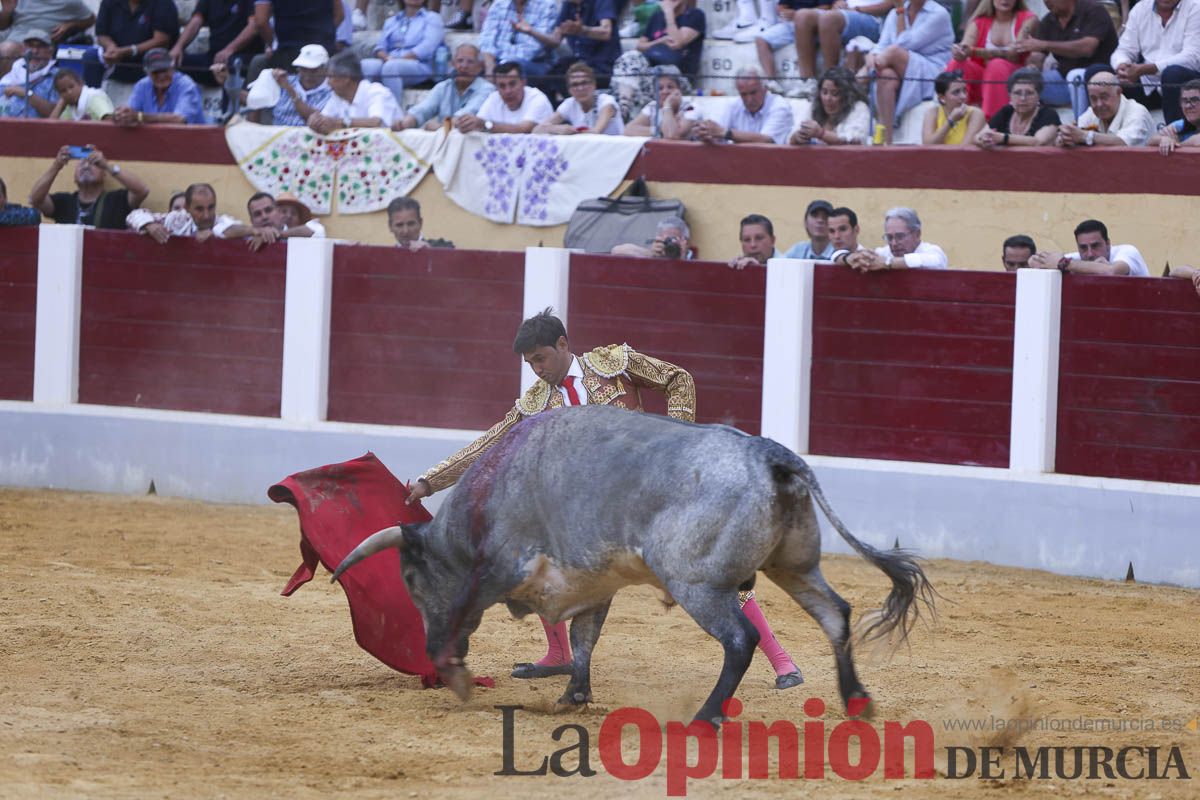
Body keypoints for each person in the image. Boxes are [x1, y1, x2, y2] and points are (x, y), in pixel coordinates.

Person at [405, 309, 806, 690]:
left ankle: (779, 657)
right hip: (588, 513)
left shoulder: (613, 363)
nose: (537, 369)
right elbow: (492, 443)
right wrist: (429, 481)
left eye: (541, 358)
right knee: (537, 557)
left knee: (708, 564)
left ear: (563, 345)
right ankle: (560, 653)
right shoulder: (535, 403)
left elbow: (678, 379)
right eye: (530, 363)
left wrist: (677, 445)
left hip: (646, 493)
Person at [866, 0, 955, 145]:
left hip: (933, 71)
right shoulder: (893, 14)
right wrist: (873, 56)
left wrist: (900, 11)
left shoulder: (939, 14)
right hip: (900, 65)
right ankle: (886, 140)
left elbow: (904, 44)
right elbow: (882, 45)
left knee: (893, 53)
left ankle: (867, 74)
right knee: (886, 76)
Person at [1013, 0, 1118, 120]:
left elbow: (1087, 48)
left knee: (1075, 77)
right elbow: (1037, 54)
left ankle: (1083, 127)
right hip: (1062, 78)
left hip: (1097, 77)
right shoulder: (1049, 20)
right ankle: (1025, 129)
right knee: (1022, 80)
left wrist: (1045, 44)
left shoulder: (1093, 10)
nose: (1047, 2)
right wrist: (1032, 66)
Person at [1108, 0, 1200, 125]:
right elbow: (1124, 50)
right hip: (1147, 83)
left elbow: (1192, 57)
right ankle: (1105, 135)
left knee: (1173, 73)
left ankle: (1174, 134)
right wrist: (1122, 66)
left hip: (1185, 83)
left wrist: (1148, 68)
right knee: (1099, 73)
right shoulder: (1140, 8)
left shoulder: (1195, 7)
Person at [611, 0, 706, 121]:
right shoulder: (656, 16)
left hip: (677, 77)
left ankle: (627, 114)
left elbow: (677, 42)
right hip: (652, 72)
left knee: (644, 79)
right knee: (630, 58)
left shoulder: (695, 15)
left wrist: (669, 14)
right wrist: (659, 41)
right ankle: (624, 108)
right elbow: (640, 45)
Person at [945, 0, 1038, 118]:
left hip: (1015, 79)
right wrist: (959, 52)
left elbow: (1013, 54)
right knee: (956, 64)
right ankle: (952, 116)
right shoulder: (978, 21)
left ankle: (994, 122)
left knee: (996, 65)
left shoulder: (1028, 19)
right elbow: (964, 48)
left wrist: (973, 52)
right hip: (983, 80)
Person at [28, 145, 149, 229]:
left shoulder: (117, 199)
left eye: (93, 163)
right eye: (81, 163)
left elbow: (142, 190)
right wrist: (57, 165)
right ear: (74, 177)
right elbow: (35, 199)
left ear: (104, 174)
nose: (86, 166)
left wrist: (107, 165)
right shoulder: (64, 201)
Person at [788, 1, 887, 98]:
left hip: (874, 18)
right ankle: (807, 82)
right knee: (802, 16)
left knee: (828, 19)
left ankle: (830, 83)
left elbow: (892, 3)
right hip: (844, 12)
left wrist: (857, 9)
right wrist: (838, 3)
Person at [392, 42, 496, 130]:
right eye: (460, 61)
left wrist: (441, 127)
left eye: (470, 62)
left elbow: (467, 114)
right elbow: (423, 109)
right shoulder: (443, 87)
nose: (464, 66)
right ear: (453, 64)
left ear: (479, 67)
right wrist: (405, 123)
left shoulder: (487, 89)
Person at [361, 0, 445, 106]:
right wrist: (386, 57)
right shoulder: (392, 21)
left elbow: (427, 47)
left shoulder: (432, 18)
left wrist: (399, 59)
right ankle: (365, 111)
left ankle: (394, 114)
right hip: (390, 60)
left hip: (419, 64)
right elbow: (380, 47)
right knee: (366, 65)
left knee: (391, 68)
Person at [126, 182, 267, 244]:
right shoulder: (176, 219)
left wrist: (253, 231)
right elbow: (133, 215)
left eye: (211, 207)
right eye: (199, 209)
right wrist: (149, 225)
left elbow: (232, 228)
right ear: (187, 208)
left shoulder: (223, 221)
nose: (206, 215)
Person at [537, 0, 621, 102]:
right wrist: (530, 31)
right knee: (548, 78)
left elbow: (606, 32)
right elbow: (556, 40)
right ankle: (558, 112)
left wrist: (582, 30)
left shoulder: (601, 2)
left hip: (603, 67)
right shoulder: (568, 5)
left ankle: (577, 112)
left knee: (569, 78)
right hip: (580, 63)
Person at [308, 50, 403, 133]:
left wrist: (340, 122)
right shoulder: (337, 95)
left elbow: (376, 122)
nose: (327, 82)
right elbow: (326, 119)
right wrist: (317, 121)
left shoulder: (377, 92)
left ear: (346, 78)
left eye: (330, 77)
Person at [170, 0, 261, 85]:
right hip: (214, 58)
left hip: (241, 57)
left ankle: (233, 100)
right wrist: (178, 47)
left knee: (230, 65)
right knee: (177, 63)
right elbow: (196, 20)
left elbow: (253, 26)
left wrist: (229, 50)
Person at [695, 66, 794, 145]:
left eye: (753, 93)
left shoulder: (780, 106)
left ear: (765, 88)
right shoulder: (733, 105)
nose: (749, 99)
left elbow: (767, 141)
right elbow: (717, 134)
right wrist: (708, 135)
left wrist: (726, 133)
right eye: (744, 94)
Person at [241, 43, 333, 126]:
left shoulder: (334, 90)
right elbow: (254, 101)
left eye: (313, 70)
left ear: (325, 69)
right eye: (303, 69)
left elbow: (317, 120)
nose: (307, 75)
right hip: (275, 137)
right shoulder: (283, 79)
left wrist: (290, 89)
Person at [1056, 70, 1154, 146]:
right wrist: (1066, 137)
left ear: (1119, 93)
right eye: (1093, 99)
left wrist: (1086, 136)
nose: (1099, 104)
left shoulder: (1137, 112)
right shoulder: (1091, 113)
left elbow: (1124, 143)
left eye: (1104, 97)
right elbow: (1078, 133)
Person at [0, 0, 94, 79]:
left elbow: (91, 20)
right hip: (14, 38)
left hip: (41, 42)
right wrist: (6, 11)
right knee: (6, 49)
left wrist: (70, 25)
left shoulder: (70, 2)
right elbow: (3, 26)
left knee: (7, 50)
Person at [112, 48, 208, 125]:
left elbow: (180, 119)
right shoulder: (142, 85)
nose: (161, 76)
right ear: (147, 73)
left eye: (165, 70)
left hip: (190, 143)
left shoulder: (186, 85)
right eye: (156, 72)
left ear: (172, 68)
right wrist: (122, 114)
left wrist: (139, 117)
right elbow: (131, 111)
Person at [92, 0, 179, 83]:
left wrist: (131, 50)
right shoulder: (109, 2)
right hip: (116, 55)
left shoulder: (163, 3)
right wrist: (110, 46)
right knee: (91, 56)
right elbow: (101, 34)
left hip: (148, 57)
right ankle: (93, 95)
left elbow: (161, 40)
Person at [455, 60, 553, 133]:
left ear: (523, 82)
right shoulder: (494, 97)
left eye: (512, 84)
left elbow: (524, 129)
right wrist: (468, 124)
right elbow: (479, 124)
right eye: (502, 86)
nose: (508, 91)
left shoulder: (537, 98)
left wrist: (484, 125)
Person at [973, 66, 1061, 147]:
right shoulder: (1006, 112)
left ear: (1038, 95)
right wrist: (982, 139)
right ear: (1010, 95)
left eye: (1029, 93)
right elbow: (979, 136)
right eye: (1017, 93)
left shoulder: (1048, 114)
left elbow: (1038, 141)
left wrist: (1003, 138)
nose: (1023, 98)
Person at [1028, 218, 1149, 275]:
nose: (1090, 254)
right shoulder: (1077, 259)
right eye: (1083, 248)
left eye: (1095, 246)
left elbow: (1111, 271)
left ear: (1108, 243)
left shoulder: (1128, 251)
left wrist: (1065, 264)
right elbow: (1033, 261)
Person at [788, 66, 872, 145]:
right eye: (824, 92)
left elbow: (854, 141)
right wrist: (797, 137)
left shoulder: (859, 108)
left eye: (835, 94)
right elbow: (790, 138)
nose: (828, 99)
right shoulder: (813, 106)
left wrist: (821, 134)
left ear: (847, 96)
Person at [476, 0, 560, 79]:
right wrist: (489, 63)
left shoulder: (547, 5)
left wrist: (501, 65)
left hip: (535, 63)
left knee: (510, 73)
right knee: (471, 68)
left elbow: (534, 49)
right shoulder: (499, 3)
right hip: (498, 61)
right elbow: (487, 37)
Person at [534, 61, 623, 135]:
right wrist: (556, 129)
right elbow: (536, 130)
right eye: (575, 85)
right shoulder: (569, 104)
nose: (580, 88)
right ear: (569, 90)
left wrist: (571, 132)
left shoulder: (606, 102)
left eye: (584, 83)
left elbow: (595, 132)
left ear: (594, 85)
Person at [253, 0, 343, 71]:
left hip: (288, 51)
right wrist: (326, 34)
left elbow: (261, 21)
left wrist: (271, 43)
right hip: (324, 49)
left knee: (286, 91)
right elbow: (339, 14)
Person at [849, 206, 948, 271]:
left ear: (917, 234)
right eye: (889, 237)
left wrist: (888, 263)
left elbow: (936, 261)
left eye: (900, 236)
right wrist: (855, 258)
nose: (894, 243)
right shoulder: (885, 252)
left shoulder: (931, 251)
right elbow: (837, 255)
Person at [622, 65, 699, 139]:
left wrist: (667, 106)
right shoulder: (652, 106)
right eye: (660, 88)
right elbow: (628, 130)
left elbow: (672, 135)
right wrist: (659, 131)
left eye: (670, 87)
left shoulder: (691, 107)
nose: (665, 91)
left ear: (679, 90)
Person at [0, 29, 57, 118]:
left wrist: (26, 93)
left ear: (50, 52)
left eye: (40, 46)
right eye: (30, 46)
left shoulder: (57, 77)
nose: (34, 51)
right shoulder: (12, 71)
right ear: (23, 50)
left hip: (37, 129)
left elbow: (56, 114)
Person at [922, 69, 986, 144]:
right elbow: (927, 146)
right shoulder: (932, 112)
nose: (963, 96)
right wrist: (950, 121)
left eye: (964, 90)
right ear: (942, 98)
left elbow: (964, 150)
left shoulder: (975, 114)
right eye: (956, 92)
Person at [1148, 78, 1200, 155]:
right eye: (1184, 101)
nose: (1188, 106)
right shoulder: (1181, 124)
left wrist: (1176, 143)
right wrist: (1164, 139)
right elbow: (1151, 141)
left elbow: (1197, 141)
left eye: (1194, 100)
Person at [387, 197, 454, 249]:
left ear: (420, 223)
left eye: (411, 224)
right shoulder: (385, 257)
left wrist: (430, 251)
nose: (406, 231)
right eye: (399, 225)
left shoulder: (444, 247)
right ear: (390, 226)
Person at [611, 215, 692, 258]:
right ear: (659, 240)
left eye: (674, 239)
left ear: (685, 242)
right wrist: (651, 254)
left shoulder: (691, 258)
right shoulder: (655, 253)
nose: (670, 244)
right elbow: (616, 250)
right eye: (667, 240)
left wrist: (682, 257)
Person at [49, 68, 115, 120]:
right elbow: (50, 128)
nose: (69, 92)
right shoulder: (69, 106)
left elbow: (109, 119)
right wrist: (60, 104)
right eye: (63, 91)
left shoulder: (94, 97)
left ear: (80, 83)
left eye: (71, 87)